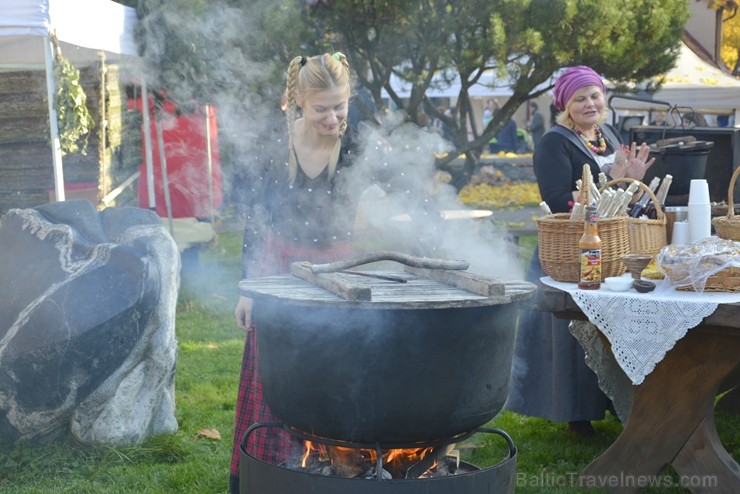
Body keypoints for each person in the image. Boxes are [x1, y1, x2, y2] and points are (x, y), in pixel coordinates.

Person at [229, 52, 359, 493]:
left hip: (340, 270)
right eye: (321, 107)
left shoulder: (356, 143)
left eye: (339, 106)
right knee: (276, 374)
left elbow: (412, 196)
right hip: (280, 268)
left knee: (337, 371)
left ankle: (338, 467)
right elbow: (255, 220)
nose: (333, 117)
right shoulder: (275, 147)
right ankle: (273, 473)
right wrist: (249, 290)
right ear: (299, 101)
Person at [506, 65, 655, 436]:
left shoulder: (606, 133)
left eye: (594, 95)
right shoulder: (553, 143)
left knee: (608, 328)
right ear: (565, 104)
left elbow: (622, 197)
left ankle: (614, 399)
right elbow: (557, 200)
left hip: (610, 251)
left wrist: (631, 182)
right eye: (579, 98)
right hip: (569, 254)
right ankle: (575, 412)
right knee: (572, 331)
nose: (589, 103)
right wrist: (614, 181)